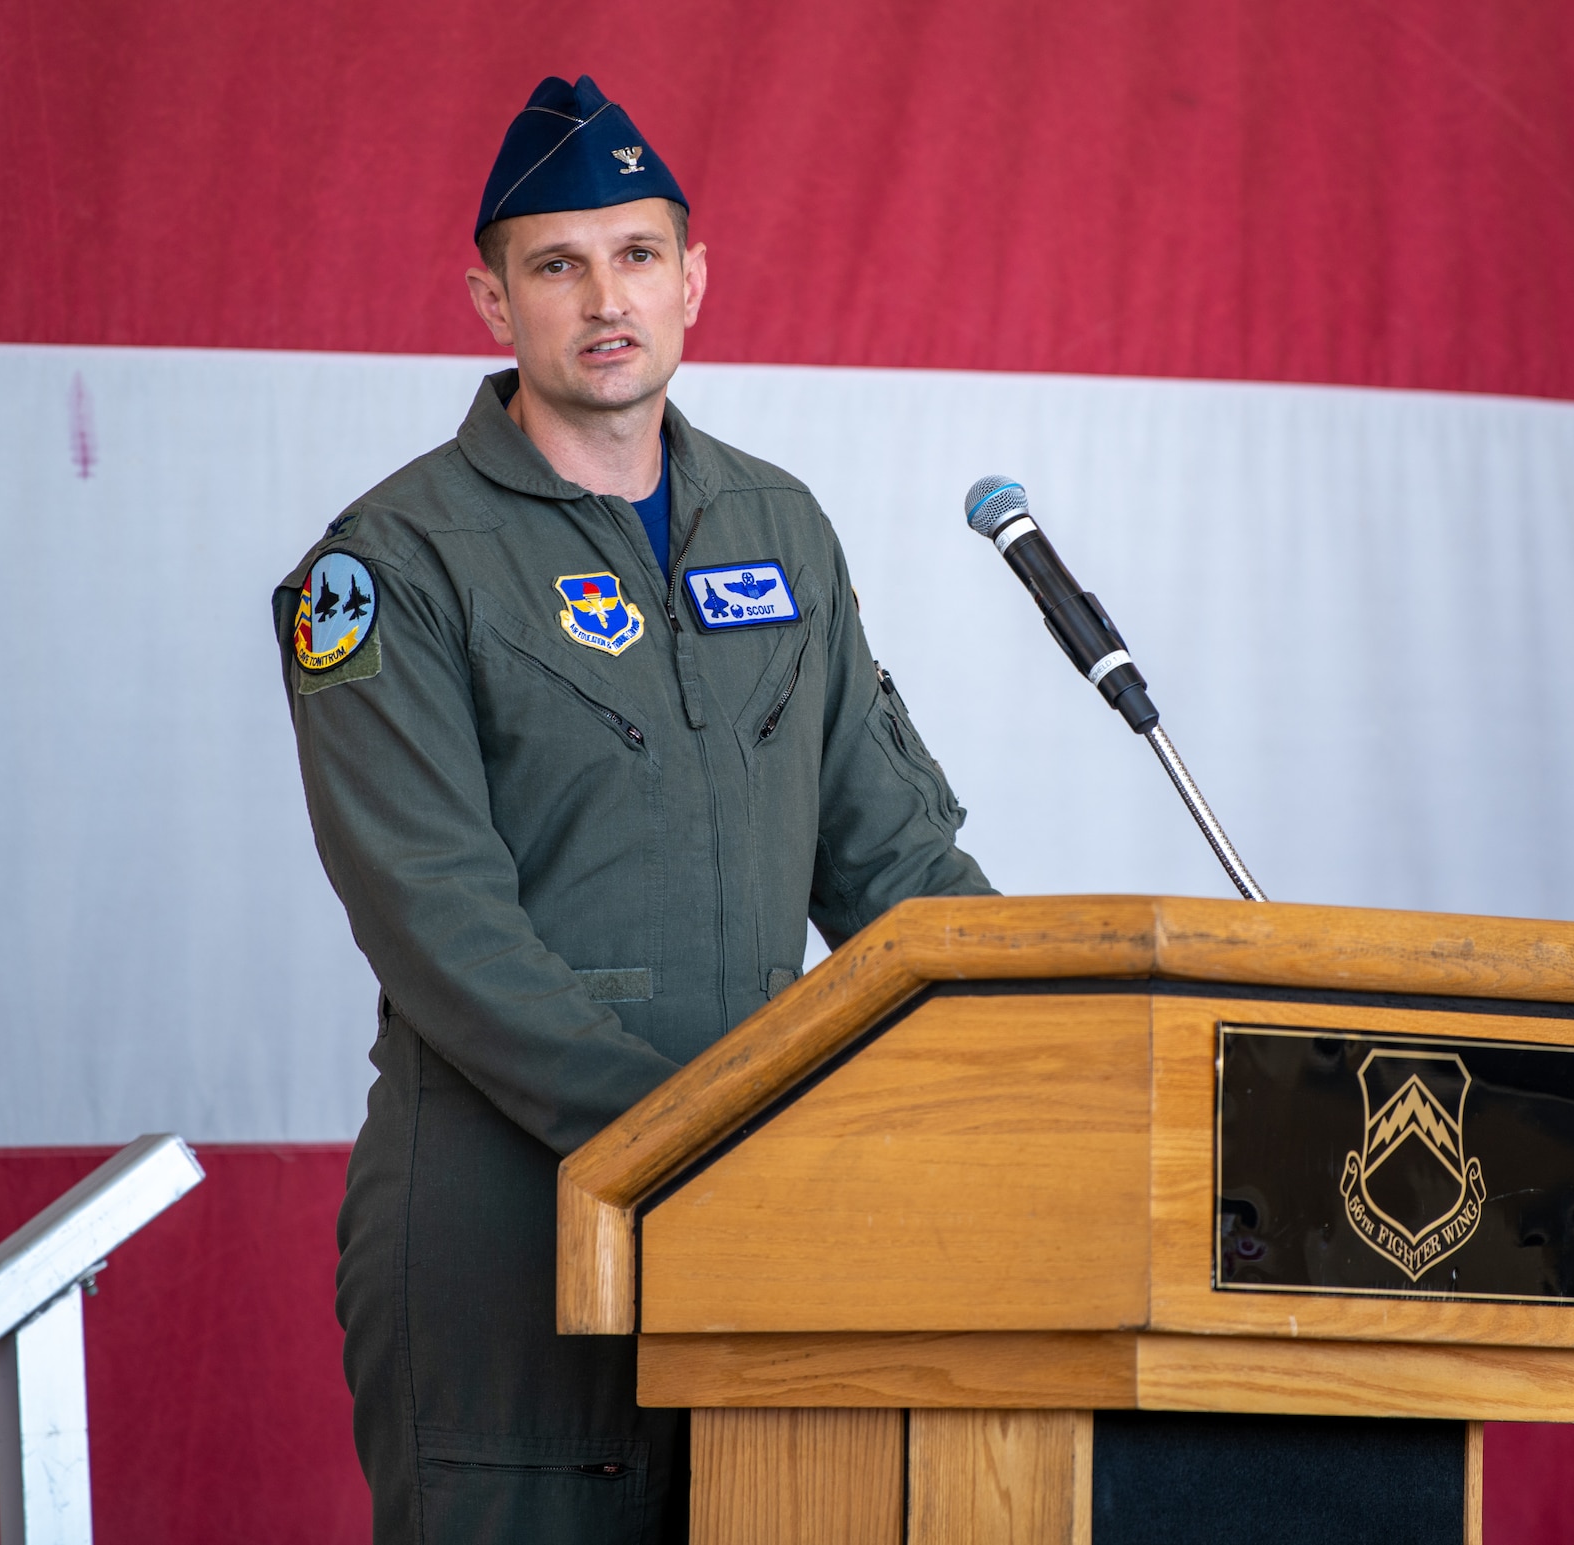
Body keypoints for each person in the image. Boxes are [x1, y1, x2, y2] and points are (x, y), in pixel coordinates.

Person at [273, 74, 993, 1544]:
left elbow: (896, 864)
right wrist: (697, 1141)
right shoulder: (391, 566)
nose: (607, 298)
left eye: (639, 255)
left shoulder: (779, 529)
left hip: (766, 1228)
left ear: (694, 280)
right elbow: (444, 932)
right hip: (507, 1237)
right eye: (558, 264)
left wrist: (1048, 1046)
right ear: (491, 302)